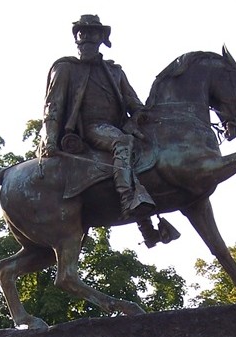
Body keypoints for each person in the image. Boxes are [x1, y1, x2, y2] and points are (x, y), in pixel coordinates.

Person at [42, 14, 177, 247]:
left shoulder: (115, 71)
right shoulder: (66, 68)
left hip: (117, 126)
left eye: (91, 33)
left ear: (101, 38)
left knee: (148, 150)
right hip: (89, 129)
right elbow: (53, 106)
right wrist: (50, 140)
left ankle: (147, 227)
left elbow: (132, 101)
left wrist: (141, 114)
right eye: (81, 33)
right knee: (122, 142)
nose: (85, 38)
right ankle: (127, 198)